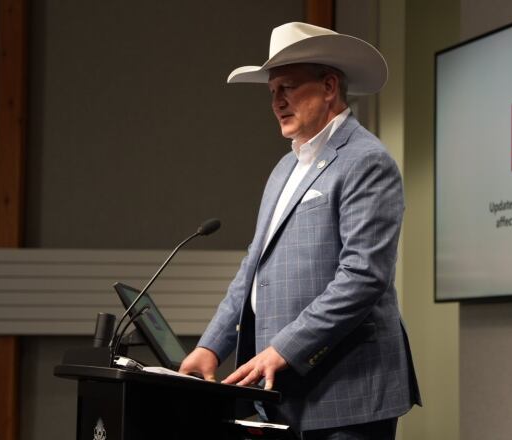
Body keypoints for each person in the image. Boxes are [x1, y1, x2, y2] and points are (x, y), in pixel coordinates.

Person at [179, 22, 421, 439]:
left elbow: (363, 277)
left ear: (329, 87)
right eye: (273, 91)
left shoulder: (366, 161)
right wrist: (211, 345)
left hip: (348, 391)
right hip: (286, 394)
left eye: (288, 87)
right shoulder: (284, 168)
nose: (278, 101)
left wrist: (284, 349)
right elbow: (253, 268)